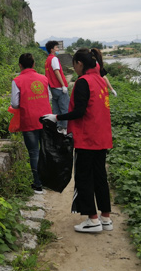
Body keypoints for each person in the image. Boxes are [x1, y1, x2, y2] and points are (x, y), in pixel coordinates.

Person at [43, 48, 113, 233]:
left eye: (74, 65)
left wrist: (56, 117)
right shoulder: (100, 80)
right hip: (102, 136)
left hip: (87, 138)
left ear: (79, 63)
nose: (74, 69)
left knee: (84, 177)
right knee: (100, 177)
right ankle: (105, 217)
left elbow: (79, 112)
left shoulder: (83, 82)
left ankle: (92, 219)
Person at [10, 53, 52, 194]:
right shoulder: (44, 78)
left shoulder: (17, 81)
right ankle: (48, 181)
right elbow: (49, 96)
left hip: (28, 120)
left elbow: (15, 104)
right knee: (44, 151)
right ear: (34, 64)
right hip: (45, 119)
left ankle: (38, 184)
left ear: (20, 65)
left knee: (34, 152)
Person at [44, 40, 70, 132]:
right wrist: (63, 85)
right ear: (52, 50)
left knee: (56, 110)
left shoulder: (47, 60)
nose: (58, 49)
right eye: (56, 47)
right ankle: (65, 128)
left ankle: (58, 128)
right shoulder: (54, 59)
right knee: (65, 109)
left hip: (52, 88)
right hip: (59, 87)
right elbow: (56, 71)